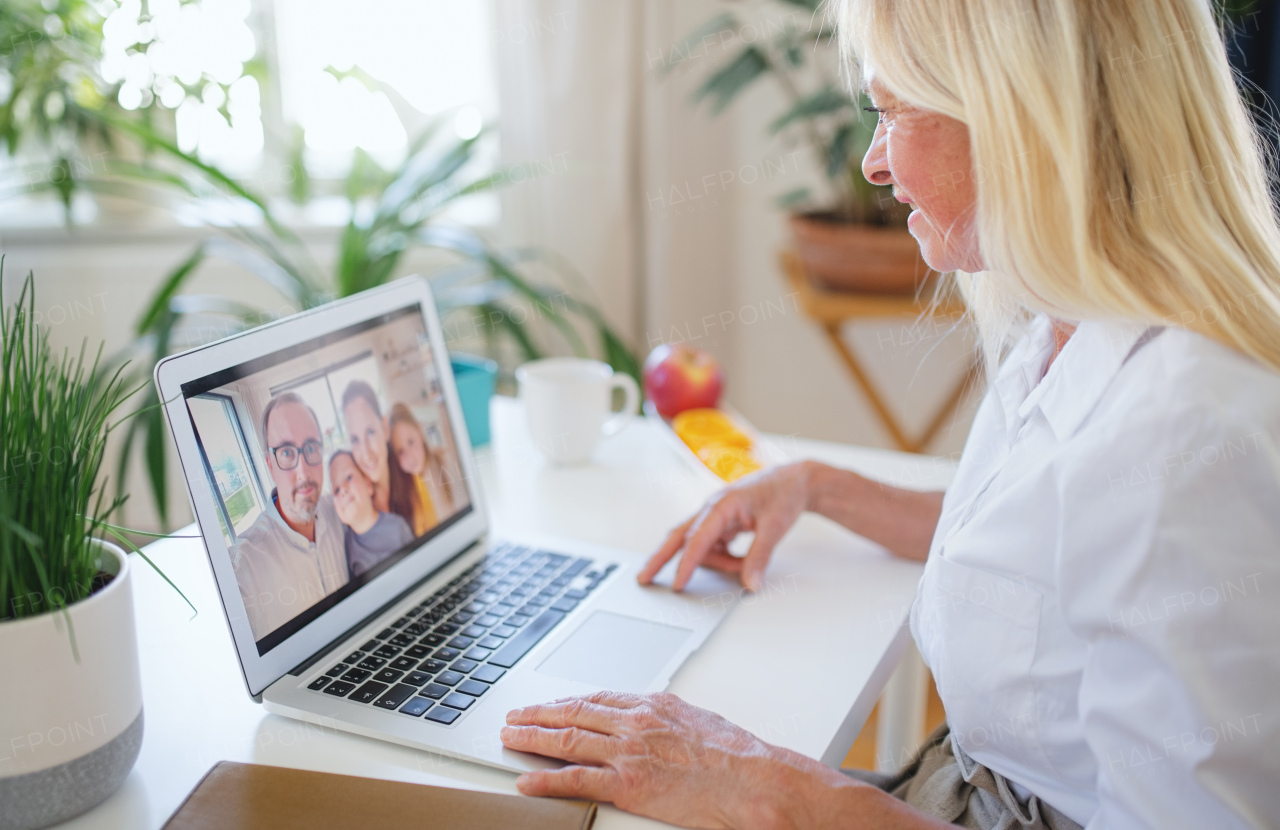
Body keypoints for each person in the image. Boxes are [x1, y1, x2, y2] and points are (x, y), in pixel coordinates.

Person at [496, 1, 1280, 827]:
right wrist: (819, 486)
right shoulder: (1072, 321)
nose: (874, 161)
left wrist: (768, 789)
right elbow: (1059, 549)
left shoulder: (1188, 428)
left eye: (895, 109)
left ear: (1019, 117)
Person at [232, 392, 347, 640]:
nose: (303, 470)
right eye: (286, 452)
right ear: (269, 464)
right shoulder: (242, 568)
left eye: (311, 448)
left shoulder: (342, 511)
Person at [340, 380, 428, 536]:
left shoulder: (413, 481)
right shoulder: (355, 505)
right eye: (355, 439)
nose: (366, 453)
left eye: (370, 432)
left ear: (385, 428)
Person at [328, 450, 414, 577]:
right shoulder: (344, 548)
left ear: (368, 485)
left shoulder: (397, 527)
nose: (343, 490)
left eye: (348, 477)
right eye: (336, 490)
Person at [389, 402, 463, 526]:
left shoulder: (445, 462)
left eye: (411, 442)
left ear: (420, 432)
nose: (410, 457)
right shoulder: (406, 490)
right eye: (400, 451)